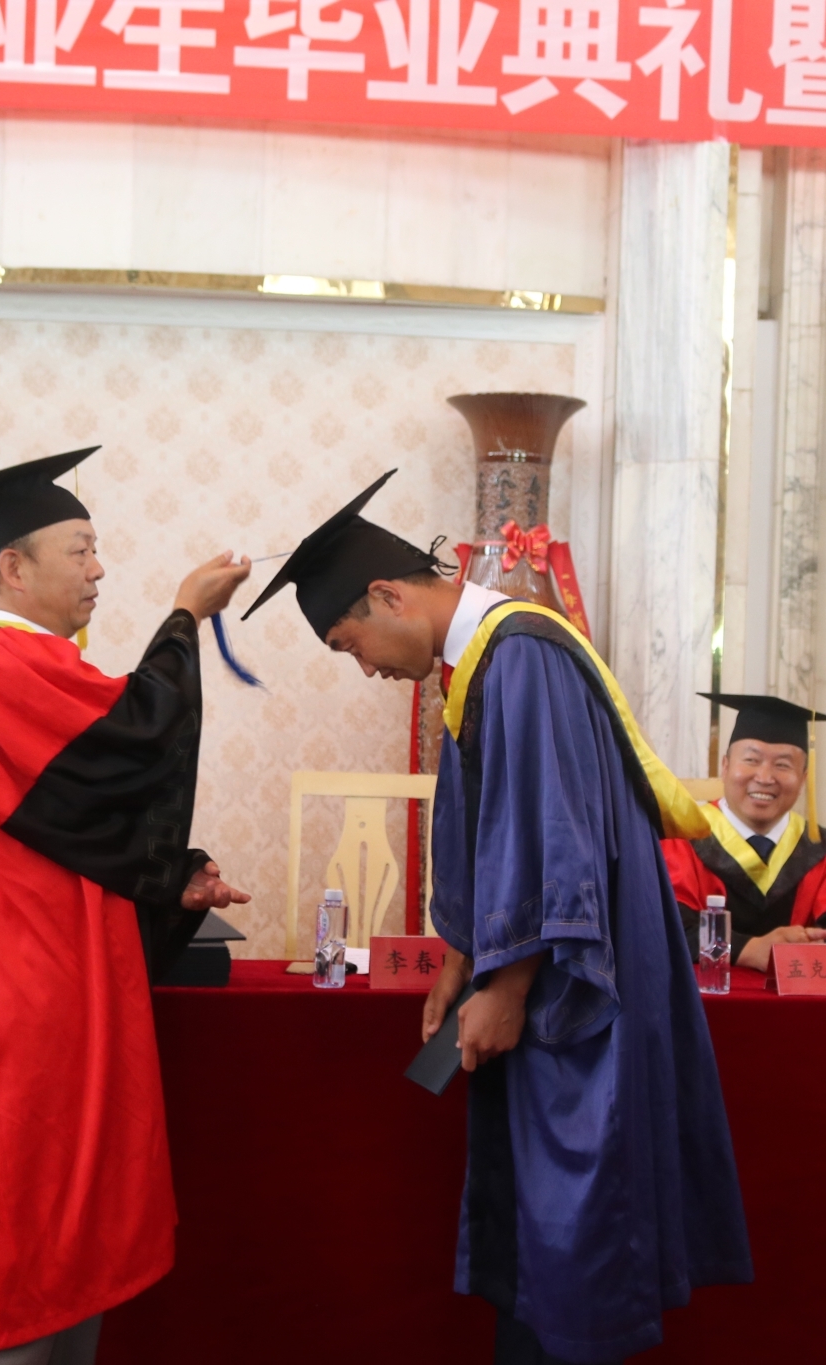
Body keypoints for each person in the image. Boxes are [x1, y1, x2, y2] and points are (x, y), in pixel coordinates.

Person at [243, 470, 753, 1365]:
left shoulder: (520, 657)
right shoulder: (483, 660)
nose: (366, 667)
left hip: (574, 979)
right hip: (547, 955)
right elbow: (495, 826)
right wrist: (457, 954)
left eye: (351, 643)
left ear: (388, 594)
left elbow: (554, 836)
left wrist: (507, 985)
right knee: (542, 1212)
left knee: (578, 1202)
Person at [0, 447, 251, 1364]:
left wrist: (172, 876)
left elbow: (80, 818)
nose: (100, 568)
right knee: (18, 1261)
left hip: (60, 1005)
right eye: (81, 548)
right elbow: (132, 740)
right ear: (12, 567)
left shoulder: (23, 665)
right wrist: (184, 614)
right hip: (23, 1018)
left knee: (68, 1262)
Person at [662, 693, 826, 972]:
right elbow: (665, 924)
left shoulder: (818, 848)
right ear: (725, 766)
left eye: (783, 765)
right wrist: (749, 949)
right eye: (751, 760)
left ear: (803, 778)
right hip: (704, 998)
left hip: (797, 1000)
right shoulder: (682, 838)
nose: (764, 777)